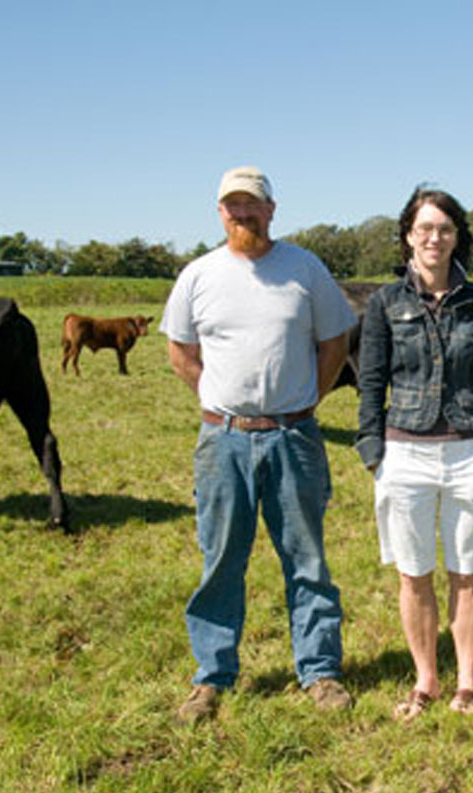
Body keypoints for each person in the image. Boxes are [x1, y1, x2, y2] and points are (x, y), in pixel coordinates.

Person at [161, 165, 358, 723]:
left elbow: (334, 342)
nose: (242, 213)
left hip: (294, 436)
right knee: (221, 559)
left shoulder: (305, 269)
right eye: (232, 205)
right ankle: (211, 676)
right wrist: (225, 403)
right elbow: (180, 353)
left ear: (271, 209)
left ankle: (319, 671)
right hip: (222, 442)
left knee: (307, 558)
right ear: (219, 211)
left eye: (252, 204)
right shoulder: (198, 276)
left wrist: (301, 403)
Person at [355, 187, 473, 721]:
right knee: (414, 572)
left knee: (468, 571)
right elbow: (370, 379)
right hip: (404, 452)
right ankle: (426, 678)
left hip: (470, 450)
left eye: (444, 229)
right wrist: (372, 448)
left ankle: (467, 682)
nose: (434, 238)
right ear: (408, 236)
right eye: (424, 228)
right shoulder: (384, 302)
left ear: (456, 237)